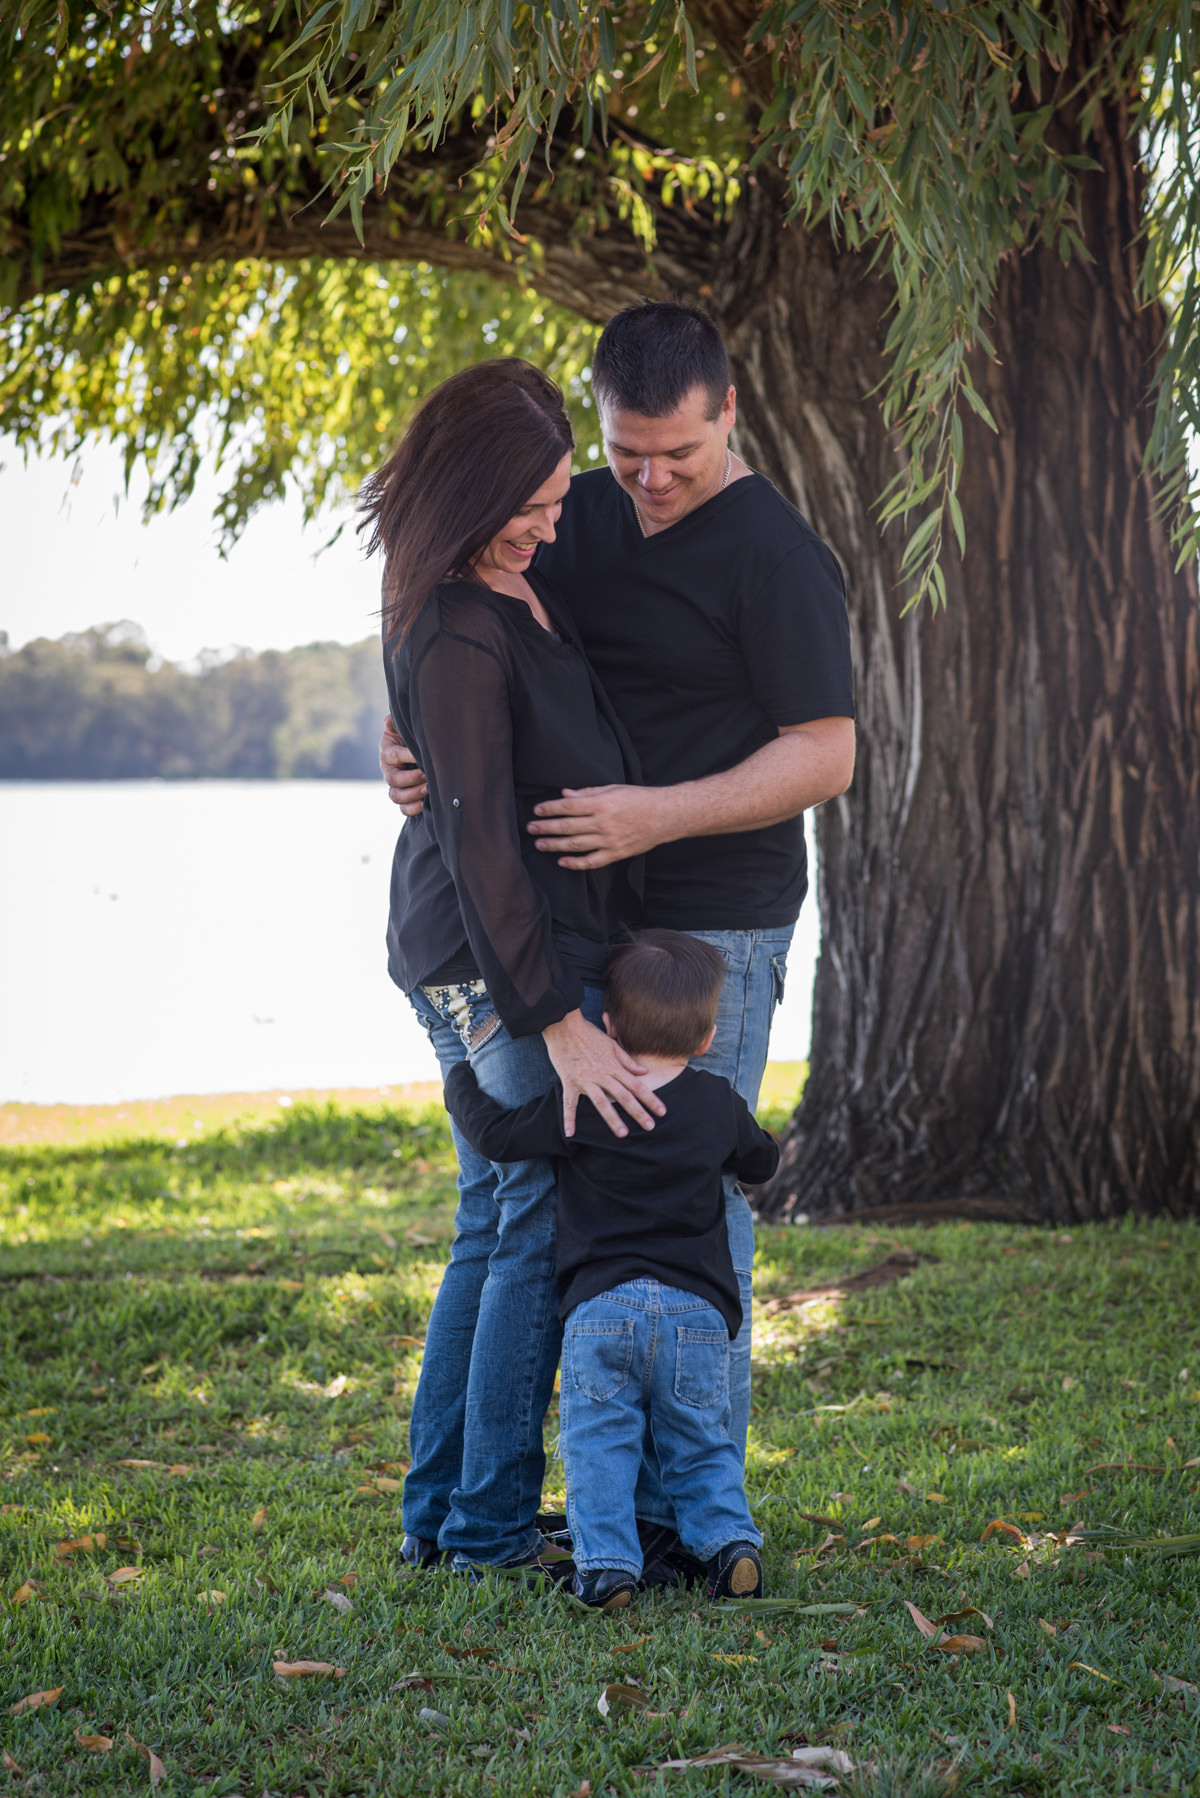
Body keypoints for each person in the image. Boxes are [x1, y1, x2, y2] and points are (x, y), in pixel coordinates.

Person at [380, 301, 856, 1583]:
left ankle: (687, 1514)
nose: (646, 481)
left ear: (729, 417)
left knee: (689, 1203)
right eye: (626, 451)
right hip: (581, 928)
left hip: (717, 925)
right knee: (538, 1206)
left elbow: (829, 750)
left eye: (677, 458)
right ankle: (514, 1515)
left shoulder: (776, 557)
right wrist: (414, 737)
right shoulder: (574, 507)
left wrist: (658, 812)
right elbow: (454, 599)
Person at [359, 358, 666, 1579]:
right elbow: (483, 843)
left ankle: (441, 1519)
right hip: (494, 965)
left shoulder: (504, 587)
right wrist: (557, 1024)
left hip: (489, 953)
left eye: (558, 495)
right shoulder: (451, 624)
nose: (553, 520)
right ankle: (484, 1527)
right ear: (474, 489)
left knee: (492, 1226)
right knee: (529, 1226)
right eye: (531, 504)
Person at [443, 930, 780, 1611]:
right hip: (696, 1313)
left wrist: (460, 1083)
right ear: (708, 1035)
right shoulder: (715, 1103)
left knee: (599, 1441)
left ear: (610, 1025)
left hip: (603, 1308)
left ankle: (607, 1567)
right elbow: (763, 1162)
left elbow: (499, 1139)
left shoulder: (587, 1099)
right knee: (699, 1438)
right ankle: (730, 1546)